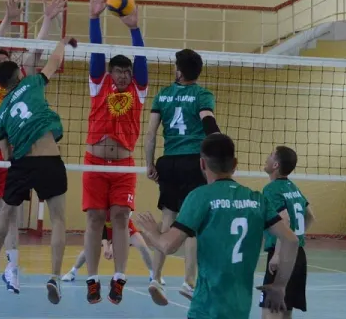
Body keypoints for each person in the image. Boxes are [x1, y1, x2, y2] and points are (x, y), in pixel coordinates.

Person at [134, 134, 300, 317]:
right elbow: (292, 240)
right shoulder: (257, 199)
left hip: (206, 309)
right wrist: (280, 286)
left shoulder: (200, 197)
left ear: (202, 164)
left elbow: (168, 246)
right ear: (235, 164)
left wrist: (151, 232)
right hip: (240, 309)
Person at [0, 0, 65, 297]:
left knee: (10, 212)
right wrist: (9, 19)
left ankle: (11, 267)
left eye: (3, 58)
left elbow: (36, 51)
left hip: (11, 155)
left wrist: (47, 20)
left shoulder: (21, 84)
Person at [0, 34, 77, 305]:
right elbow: (54, 61)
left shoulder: (0, 113)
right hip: (48, 158)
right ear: (18, 74)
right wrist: (63, 42)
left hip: (22, 163)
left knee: (6, 210)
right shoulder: (32, 82)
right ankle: (55, 276)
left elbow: (5, 153)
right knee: (58, 219)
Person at [81, 0, 147, 304]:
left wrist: (135, 29)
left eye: (127, 72)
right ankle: (92, 279)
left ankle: (119, 277)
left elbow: (142, 59)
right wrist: (94, 18)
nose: (123, 76)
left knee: (121, 217)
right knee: (95, 218)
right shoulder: (99, 83)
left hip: (123, 165)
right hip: (94, 163)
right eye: (118, 71)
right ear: (110, 73)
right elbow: (96, 52)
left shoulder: (139, 88)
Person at [143, 48, 219, 303]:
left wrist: (149, 164)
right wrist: (220, 150)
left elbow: (151, 134)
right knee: (193, 225)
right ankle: (188, 282)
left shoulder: (163, 94)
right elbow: (208, 123)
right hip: (194, 162)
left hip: (169, 161)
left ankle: (156, 277)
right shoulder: (202, 95)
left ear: (179, 70)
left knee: (167, 220)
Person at [259, 146, 316, 319]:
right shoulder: (293, 187)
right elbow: (310, 216)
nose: (266, 158)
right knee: (285, 311)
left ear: (276, 165)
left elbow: (284, 220)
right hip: (298, 255)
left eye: (270, 155)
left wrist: (278, 254)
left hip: (282, 256)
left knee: (270, 312)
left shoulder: (271, 189)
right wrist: (296, 236)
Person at [62, 212, 160, 284]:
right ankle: (72, 272)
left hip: (124, 229)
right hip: (103, 229)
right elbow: (102, 227)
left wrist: (113, 247)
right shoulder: (102, 204)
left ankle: (154, 275)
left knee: (143, 247)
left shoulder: (125, 203)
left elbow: (121, 228)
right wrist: (105, 246)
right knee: (88, 250)